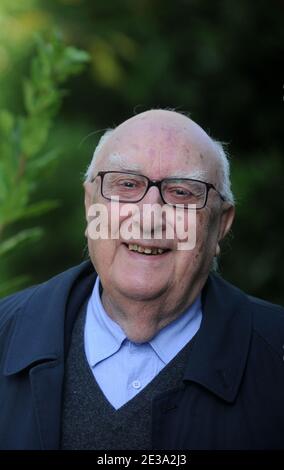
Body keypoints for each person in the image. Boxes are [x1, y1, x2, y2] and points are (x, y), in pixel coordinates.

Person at [0, 109, 283, 450]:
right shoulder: (5, 334)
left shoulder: (275, 355)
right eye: (127, 185)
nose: (150, 219)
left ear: (220, 225)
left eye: (182, 192)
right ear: (90, 204)